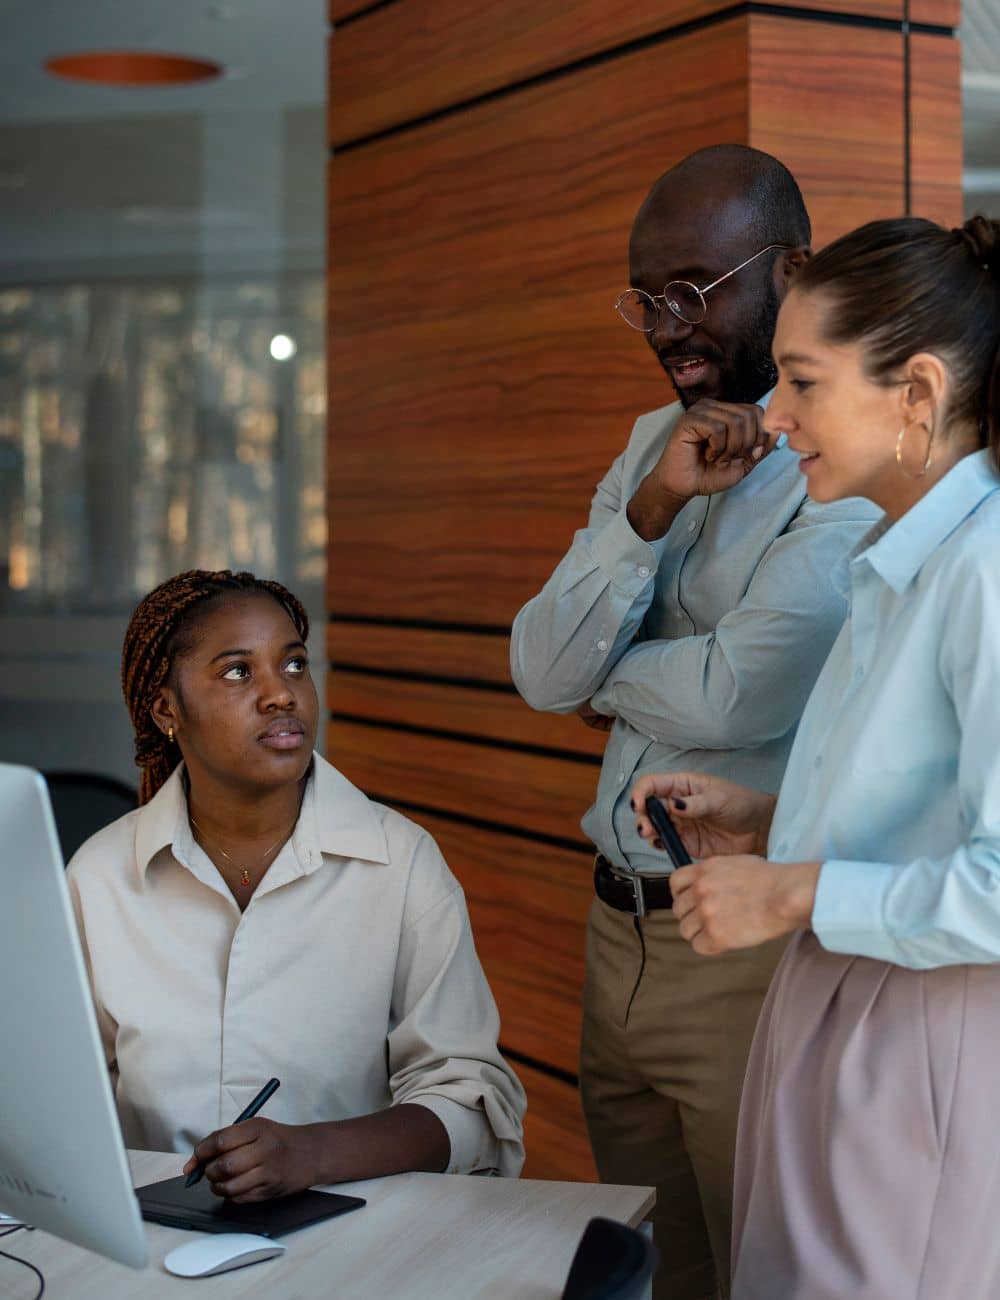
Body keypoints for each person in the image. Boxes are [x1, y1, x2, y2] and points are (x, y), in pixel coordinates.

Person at [510, 144, 878, 1300]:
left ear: (792, 269)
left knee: (760, 1270)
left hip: (739, 951)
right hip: (612, 931)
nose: (667, 324)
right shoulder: (644, 447)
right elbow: (534, 667)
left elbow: (739, 696)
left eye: (695, 288)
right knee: (653, 1271)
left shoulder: (844, 464)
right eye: (646, 296)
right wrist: (655, 500)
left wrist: (601, 675)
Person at [633, 213, 1000, 1299]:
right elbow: (917, 805)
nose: (773, 415)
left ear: (918, 395)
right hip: (844, 1021)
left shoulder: (982, 575)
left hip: (923, 1043)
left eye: (802, 381)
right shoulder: (903, 561)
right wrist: (766, 820)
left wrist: (793, 889)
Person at [68, 569, 525, 1201]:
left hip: (354, 1233)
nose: (280, 694)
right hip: (153, 1245)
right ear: (167, 708)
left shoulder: (401, 863)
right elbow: (57, 1095)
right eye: (237, 672)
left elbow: (472, 1101)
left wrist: (316, 1152)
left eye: (293, 664)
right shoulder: (99, 877)